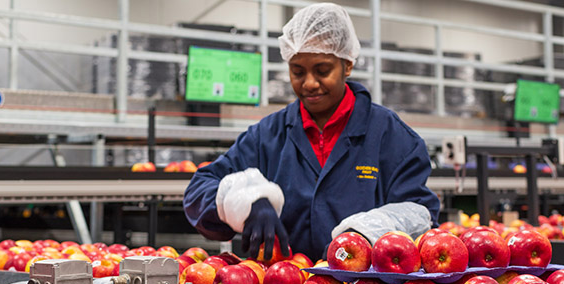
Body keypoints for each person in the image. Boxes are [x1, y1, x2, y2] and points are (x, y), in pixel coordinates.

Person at [183, 2, 440, 262]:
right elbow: (199, 190)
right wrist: (246, 202)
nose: (309, 83)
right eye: (297, 72)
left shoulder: (391, 137)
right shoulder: (268, 136)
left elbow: (419, 214)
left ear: (347, 64)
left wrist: (368, 231)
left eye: (322, 70)